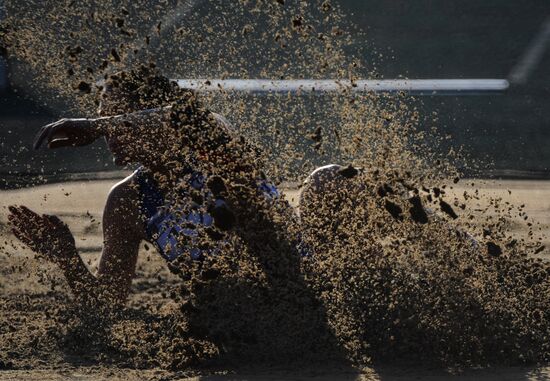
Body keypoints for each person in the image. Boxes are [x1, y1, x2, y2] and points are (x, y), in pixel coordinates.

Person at [8, 66, 351, 307]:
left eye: (115, 118)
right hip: (241, 319)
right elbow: (106, 308)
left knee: (329, 178)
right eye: (102, 117)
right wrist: (66, 257)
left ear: (151, 116)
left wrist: (96, 126)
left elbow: (190, 114)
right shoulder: (128, 200)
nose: (107, 130)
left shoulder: (211, 142)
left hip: (311, 287)